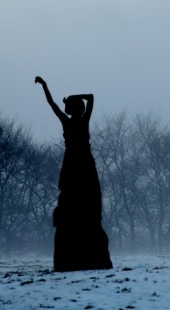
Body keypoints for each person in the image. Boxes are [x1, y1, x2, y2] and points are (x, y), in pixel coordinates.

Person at [35, 76, 112, 271]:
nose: (66, 108)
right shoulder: (81, 120)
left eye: (69, 106)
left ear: (73, 108)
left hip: (76, 165)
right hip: (80, 165)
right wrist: (49, 87)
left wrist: (53, 89)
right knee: (78, 205)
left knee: (83, 205)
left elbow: (85, 98)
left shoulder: (72, 121)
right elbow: (89, 98)